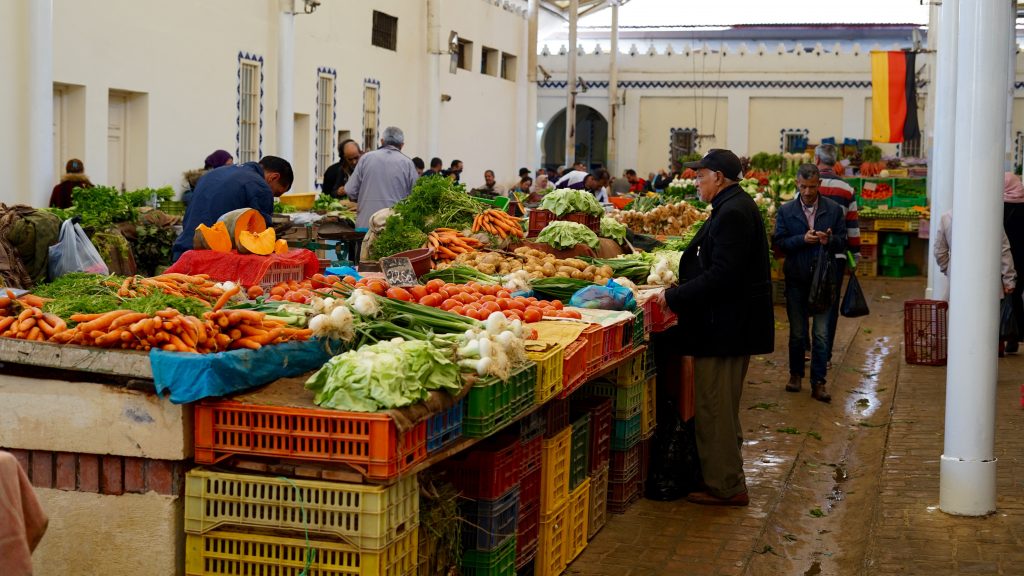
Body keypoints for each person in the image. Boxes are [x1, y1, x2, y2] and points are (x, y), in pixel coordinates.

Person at [654, 148, 774, 506]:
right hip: (726, 325)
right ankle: (726, 476)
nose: (695, 182)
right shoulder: (731, 206)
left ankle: (726, 486)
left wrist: (674, 298)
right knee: (719, 406)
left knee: (715, 407)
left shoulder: (734, 212)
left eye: (700, 176)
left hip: (725, 329)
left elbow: (724, 275)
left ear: (719, 177)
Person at [773, 163, 847, 403]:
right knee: (797, 333)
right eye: (803, 186)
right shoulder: (786, 211)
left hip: (825, 280)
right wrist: (802, 239)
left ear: (819, 184)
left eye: (812, 187)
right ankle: (796, 375)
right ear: (797, 184)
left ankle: (819, 382)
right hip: (796, 280)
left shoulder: (834, 210)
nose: (807, 191)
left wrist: (829, 239)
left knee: (822, 334)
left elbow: (843, 242)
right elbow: (780, 243)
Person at [171, 156, 293, 261]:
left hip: (183, 253)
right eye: (275, 193)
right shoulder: (260, 186)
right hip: (213, 261)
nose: (271, 196)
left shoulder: (214, 173)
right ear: (273, 177)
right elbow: (260, 241)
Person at [935, 209, 1016, 354]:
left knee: (960, 319)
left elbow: (939, 251)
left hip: (959, 280)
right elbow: (1004, 250)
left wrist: (949, 270)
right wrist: (1009, 278)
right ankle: (986, 354)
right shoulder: (991, 215)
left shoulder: (947, 217)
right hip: (989, 279)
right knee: (987, 323)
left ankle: (959, 352)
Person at [814, 144, 860, 367]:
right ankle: (825, 355)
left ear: (816, 160)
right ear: (836, 162)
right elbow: (853, 225)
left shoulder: (808, 186)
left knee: (808, 300)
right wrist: (856, 255)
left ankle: (807, 349)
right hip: (837, 256)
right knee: (830, 305)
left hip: (810, 254)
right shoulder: (847, 189)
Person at [345, 126, 419, 230]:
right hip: (393, 227)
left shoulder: (366, 158)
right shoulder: (407, 163)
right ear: (402, 145)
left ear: (382, 141)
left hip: (365, 226)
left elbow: (350, 190)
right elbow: (416, 197)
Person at [1002, 172, 1024, 350]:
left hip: (1006, 257)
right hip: (1022, 258)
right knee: (1016, 296)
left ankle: (1003, 336)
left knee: (1004, 297)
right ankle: (1014, 336)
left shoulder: (998, 207)